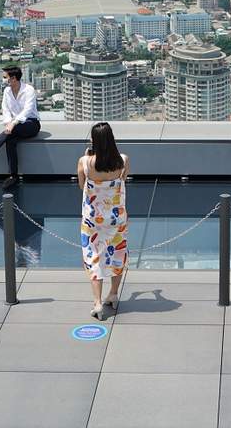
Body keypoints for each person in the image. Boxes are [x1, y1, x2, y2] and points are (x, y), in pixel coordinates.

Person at [77, 121, 129, 319]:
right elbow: (121, 182)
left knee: (93, 256)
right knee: (117, 253)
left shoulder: (84, 162)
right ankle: (114, 294)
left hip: (93, 220)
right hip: (116, 217)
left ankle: (97, 302)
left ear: (94, 141)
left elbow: (82, 186)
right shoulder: (122, 160)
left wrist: (88, 158)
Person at [0, 65, 40, 190]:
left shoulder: (29, 90)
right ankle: (13, 175)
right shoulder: (7, 91)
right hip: (14, 125)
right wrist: (8, 122)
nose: (3, 79)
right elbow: (5, 109)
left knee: (13, 131)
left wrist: (13, 123)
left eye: (4, 77)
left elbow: (27, 111)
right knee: (10, 140)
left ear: (13, 78)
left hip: (31, 124)